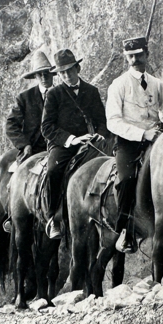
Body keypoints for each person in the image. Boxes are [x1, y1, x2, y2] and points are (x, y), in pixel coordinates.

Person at [105, 37, 163, 252]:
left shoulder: (157, 84)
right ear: (126, 58)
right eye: (130, 56)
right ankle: (126, 229)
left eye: (139, 55)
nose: (135, 59)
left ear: (147, 55)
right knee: (127, 179)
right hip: (129, 141)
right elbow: (113, 121)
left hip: (157, 137)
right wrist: (142, 134)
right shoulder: (118, 85)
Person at [40, 48, 109, 239]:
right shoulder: (53, 94)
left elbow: (101, 120)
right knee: (54, 170)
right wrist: (71, 139)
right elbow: (46, 127)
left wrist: (100, 135)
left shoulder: (92, 91)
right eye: (62, 72)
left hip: (92, 142)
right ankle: (53, 216)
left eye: (70, 70)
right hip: (64, 144)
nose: (67, 75)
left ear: (78, 68)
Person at [5, 50, 54, 163]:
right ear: (35, 76)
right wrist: (25, 145)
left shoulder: (62, 95)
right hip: (33, 150)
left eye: (46, 72)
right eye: (40, 74)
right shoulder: (25, 98)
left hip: (60, 147)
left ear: (52, 73)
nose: (44, 77)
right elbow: (10, 124)